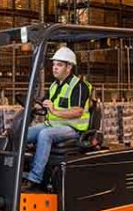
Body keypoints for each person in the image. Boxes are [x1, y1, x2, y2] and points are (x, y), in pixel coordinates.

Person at [24, 47, 92, 188]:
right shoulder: (55, 85)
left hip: (73, 128)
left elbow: (77, 111)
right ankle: (18, 171)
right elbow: (44, 103)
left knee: (44, 135)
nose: (55, 68)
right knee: (24, 134)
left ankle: (34, 178)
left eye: (59, 65)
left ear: (69, 67)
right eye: (54, 64)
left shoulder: (79, 86)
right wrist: (35, 106)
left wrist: (54, 110)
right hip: (53, 125)